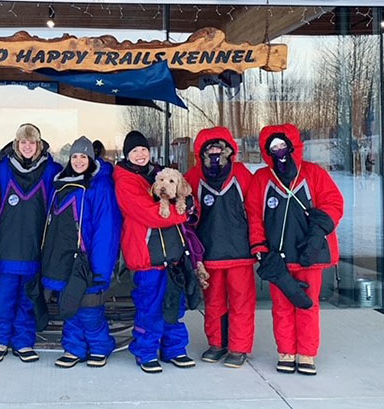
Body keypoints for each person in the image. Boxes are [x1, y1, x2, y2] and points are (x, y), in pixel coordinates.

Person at [245, 123, 344, 376]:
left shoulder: (314, 173)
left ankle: (307, 353)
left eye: (282, 145)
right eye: (273, 147)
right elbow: (254, 216)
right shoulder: (261, 179)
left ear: (292, 146)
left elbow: (334, 203)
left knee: (308, 305)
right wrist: (260, 248)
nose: (279, 151)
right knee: (282, 307)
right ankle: (286, 351)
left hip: (310, 254)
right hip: (278, 257)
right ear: (267, 151)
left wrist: (319, 232)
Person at [113, 130, 196, 374]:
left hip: (171, 256)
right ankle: (146, 352)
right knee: (150, 307)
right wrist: (184, 212)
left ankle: (175, 349)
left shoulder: (157, 173)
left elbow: (184, 194)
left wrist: (188, 203)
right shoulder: (125, 181)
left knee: (174, 306)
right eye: (134, 151)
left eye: (143, 150)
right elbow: (153, 215)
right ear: (127, 155)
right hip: (146, 256)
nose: (140, 155)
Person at [41, 136, 121, 368]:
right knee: (69, 306)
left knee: (89, 308)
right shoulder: (61, 183)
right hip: (63, 257)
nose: (78, 161)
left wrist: (101, 267)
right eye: (74, 156)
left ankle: (99, 346)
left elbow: (106, 229)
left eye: (83, 157)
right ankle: (74, 348)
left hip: (88, 260)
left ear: (91, 159)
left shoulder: (100, 186)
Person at [0, 124, 62, 363]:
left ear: (38, 145)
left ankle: (23, 342)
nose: (27, 147)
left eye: (32, 142)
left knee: (28, 299)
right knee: (4, 298)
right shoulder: (1, 169)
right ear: (16, 144)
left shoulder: (51, 170)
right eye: (23, 142)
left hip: (34, 248)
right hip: (5, 248)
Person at [184, 127, 256, 368]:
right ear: (201, 152)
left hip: (240, 252)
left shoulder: (242, 174)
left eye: (219, 147)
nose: (214, 152)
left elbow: (255, 212)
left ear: (229, 150)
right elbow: (186, 217)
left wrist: (258, 243)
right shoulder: (194, 177)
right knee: (214, 302)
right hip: (209, 252)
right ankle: (217, 343)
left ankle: (239, 347)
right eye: (209, 148)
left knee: (241, 302)